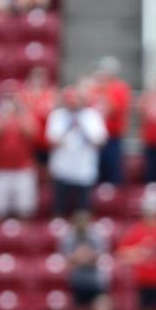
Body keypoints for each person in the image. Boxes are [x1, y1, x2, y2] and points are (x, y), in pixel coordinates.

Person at [46, 86, 108, 217]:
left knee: (83, 210)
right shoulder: (58, 115)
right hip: (62, 169)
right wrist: (69, 127)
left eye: (76, 100)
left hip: (84, 170)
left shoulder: (92, 115)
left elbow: (100, 141)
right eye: (70, 100)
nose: (73, 103)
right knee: (60, 209)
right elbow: (52, 141)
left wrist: (82, 128)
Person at [0, 91, 38, 219]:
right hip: (1, 170)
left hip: (23, 169)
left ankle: (26, 237)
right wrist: (3, 118)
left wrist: (20, 114)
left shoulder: (25, 118)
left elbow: (31, 134)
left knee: (25, 210)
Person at [87, 56, 132, 185]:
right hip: (95, 137)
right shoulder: (94, 88)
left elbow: (115, 110)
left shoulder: (120, 88)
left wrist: (104, 91)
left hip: (112, 135)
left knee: (113, 168)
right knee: (96, 170)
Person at [60, 209, 109, 308]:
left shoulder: (96, 236)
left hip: (95, 280)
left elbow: (98, 259)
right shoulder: (69, 238)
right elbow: (68, 261)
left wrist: (81, 257)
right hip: (77, 280)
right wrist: (85, 257)